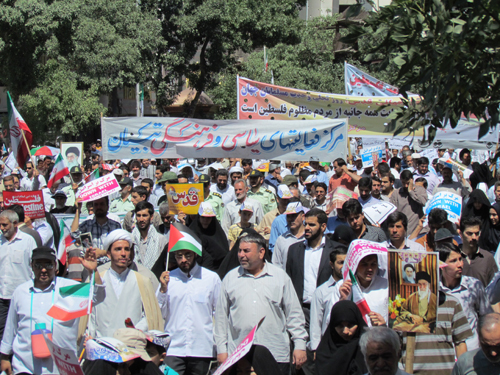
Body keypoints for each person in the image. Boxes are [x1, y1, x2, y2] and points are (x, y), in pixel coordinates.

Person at [0, 247, 104, 375]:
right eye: (38, 265)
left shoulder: (69, 289)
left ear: (55, 266)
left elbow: (98, 296)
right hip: (25, 367)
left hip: (60, 369)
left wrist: (93, 271)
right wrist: (5, 357)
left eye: (48, 265)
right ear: (32, 266)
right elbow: (11, 328)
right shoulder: (21, 292)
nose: (43, 270)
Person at [214, 232, 307, 374]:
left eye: (246, 251)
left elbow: (293, 313)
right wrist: (221, 349)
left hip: (274, 353)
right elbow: (221, 318)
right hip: (239, 356)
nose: (241, 255)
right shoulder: (230, 278)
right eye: (239, 251)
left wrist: (299, 344)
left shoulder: (279, 277)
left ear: (261, 252)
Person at [286, 208, 341, 374]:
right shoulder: (294, 250)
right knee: (303, 357)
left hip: (327, 309)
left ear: (323, 227)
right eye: (305, 224)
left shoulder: (335, 250)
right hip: (301, 310)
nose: (307, 228)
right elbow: (289, 279)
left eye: (312, 224)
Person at [83, 229, 163, 339]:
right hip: (103, 346)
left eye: (126, 249)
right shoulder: (98, 278)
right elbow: (90, 315)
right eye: (118, 249)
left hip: (132, 345)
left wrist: (136, 330)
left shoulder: (142, 281)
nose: (123, 254)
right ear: (109, 254)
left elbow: (150, 316)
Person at [157, 239, 220, 375]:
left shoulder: (211, 278)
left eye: (187, 255)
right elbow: (159, 314)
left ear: (195, 254)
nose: (183, 260)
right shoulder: (168, 280)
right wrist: (162, 290)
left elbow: (219, 314)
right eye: (179, 256)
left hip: (201, 348)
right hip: (174, 348)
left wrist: (219, 346)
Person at [438, 242, 492, 351]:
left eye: (460, 259)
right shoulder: (434, 290)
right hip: (446, 352)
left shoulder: (474, 286)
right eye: (453, 261)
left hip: (472, 350)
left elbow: (486, 317)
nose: (460, 264)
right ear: (441, 265)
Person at [0, 210, 38, 341]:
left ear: (15, 223)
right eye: (0, 225)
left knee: (21, 332)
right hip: (1, 297)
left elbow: (35, 267)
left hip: (21, 296)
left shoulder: (28, 241)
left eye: (5, 225)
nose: (2, 228)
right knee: (2, 333)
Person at [309, 246, 347, 352]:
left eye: (347, 263)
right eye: (340, 262)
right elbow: (316, 323)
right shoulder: (321, 291)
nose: (344, 266)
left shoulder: (354, 288)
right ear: (331, 264)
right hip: (328, 345)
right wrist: (316, 349)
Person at [314, 300, 367, 375]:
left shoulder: (367, 350)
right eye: (340, 326)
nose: (345, 331)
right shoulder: (323, 354)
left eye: (350, 325)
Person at [71, 196, 122, 262]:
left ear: (107, 206)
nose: (99, 207)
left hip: (109, 265)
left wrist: (103, 253)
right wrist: (78, 209)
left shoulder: (115, 226)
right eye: (96, 204)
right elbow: (74, 234)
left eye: (102, 204)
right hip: (90, 264)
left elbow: (120, 248)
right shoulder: (87, 224)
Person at [189, 202, 229, 271]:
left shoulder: (217, 233)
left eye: (208, 218)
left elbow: (223, 254)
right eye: (203, 217)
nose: (205, 221)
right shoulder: (192, 232)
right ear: (198, 217)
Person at [459, 216, 498, 287]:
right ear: (460, 234)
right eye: (469, 234)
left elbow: (494, 287)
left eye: (477, 233)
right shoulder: (453, 257)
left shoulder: (487, 258)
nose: (474, 237)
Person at [132, 201, 168, 270]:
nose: (141, 219)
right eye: (138, 215)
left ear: (151, 217)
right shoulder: (131, 239)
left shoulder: (161, 239)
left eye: (144, 215)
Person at [390, 169, 428, 234]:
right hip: (402, 231)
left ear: (412, 180)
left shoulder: (420, 190)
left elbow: (423, 202)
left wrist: (411, 192)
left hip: (417, 230)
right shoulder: (396, 193)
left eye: (407, 183)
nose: (405, 186)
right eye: (403, 183)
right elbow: (392, 211)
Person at [272, 202, 306, 270]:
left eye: (294, 216)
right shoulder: (281, 240)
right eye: (288, 216)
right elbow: (276, 265)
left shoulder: (309, 238)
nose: (291, 219)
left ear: (303, 217)